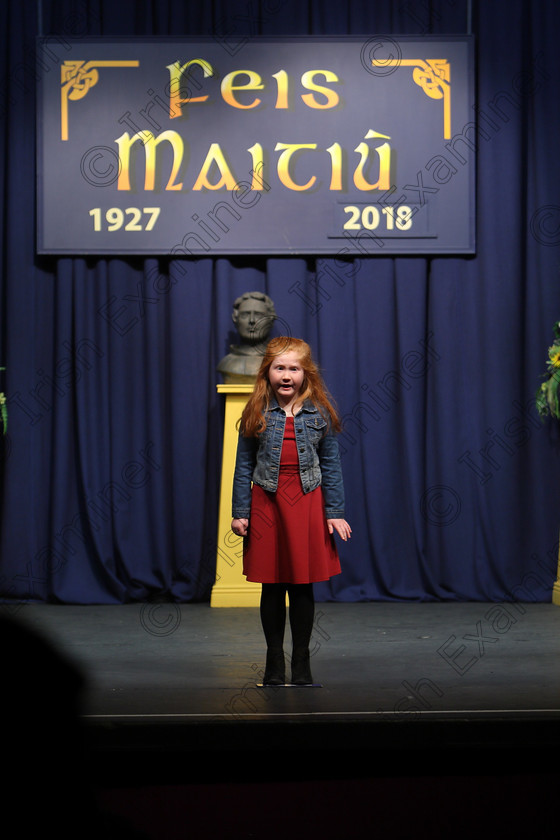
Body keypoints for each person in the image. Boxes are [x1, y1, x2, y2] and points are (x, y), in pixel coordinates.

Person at [231, 337, 351, 686]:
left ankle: (301, 663)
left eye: (294, 369)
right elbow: (242, 467)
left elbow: (331, 465)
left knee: (301, 585)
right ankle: (273, 663)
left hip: (306, 501)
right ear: (267, 373)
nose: (287, 375)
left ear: (306, 373)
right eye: (279, 368)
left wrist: (335, 511)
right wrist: (241, 511)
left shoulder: (320, 413)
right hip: (267, 502)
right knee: (272, 584)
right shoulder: (255, 412)